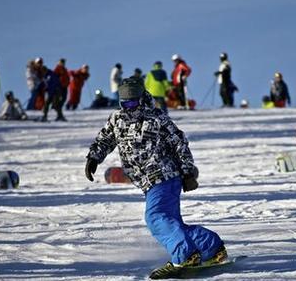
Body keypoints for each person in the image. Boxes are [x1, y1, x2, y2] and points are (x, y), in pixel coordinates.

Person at [85, 80, 227, 279]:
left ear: (141, 99)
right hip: (147, 182)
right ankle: (212, 247)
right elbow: (105, 138)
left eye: (133, 103)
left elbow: (179, 143)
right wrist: (93, 158)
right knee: (171, 222)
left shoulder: (156, 117)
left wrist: (187, 172)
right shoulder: (117, 119)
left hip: (164, 175)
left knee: (155, 218)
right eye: (124, 104)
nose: (129, 108)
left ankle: (184, 256)